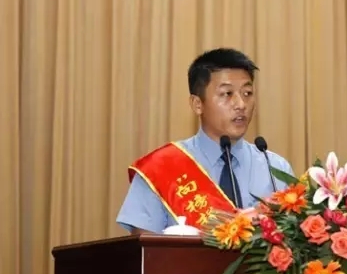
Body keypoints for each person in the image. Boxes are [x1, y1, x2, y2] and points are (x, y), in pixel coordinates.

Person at [116, 48, 295, 234]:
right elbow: (145, 247)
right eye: (227, 94)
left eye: (247, 93)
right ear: (197, 104)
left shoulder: (275, 168)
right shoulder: (159, 168)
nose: (241, 104)